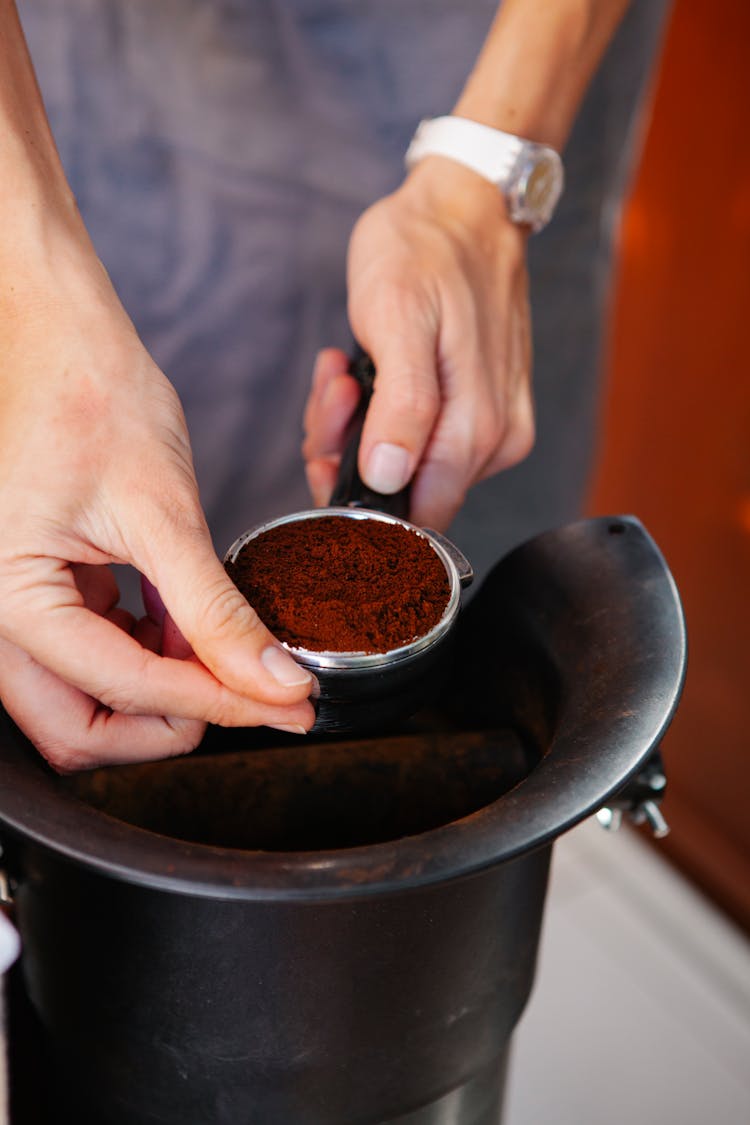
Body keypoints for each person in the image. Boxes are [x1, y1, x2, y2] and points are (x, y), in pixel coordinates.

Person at [0, 0, 669, 771]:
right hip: (100, 100)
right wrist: (33, 286)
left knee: (481, 607)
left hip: (503, 66)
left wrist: (488, 172)